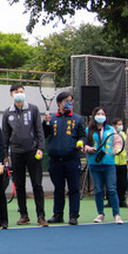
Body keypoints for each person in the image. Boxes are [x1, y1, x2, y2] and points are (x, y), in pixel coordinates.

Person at [2, 84, 48, 227]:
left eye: (21, 91)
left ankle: (41, 216)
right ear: (11, 95)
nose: (19, 94)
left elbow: (39, 130)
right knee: (20, 185)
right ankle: (24, 215)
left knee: (37, 184)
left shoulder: (33, 109)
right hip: (16, 153)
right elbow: (5, 135)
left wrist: (41, 148)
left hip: (33, 152)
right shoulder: (7, 113)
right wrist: (5, 154)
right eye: (16, 92)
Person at [42, 91, 85, 225]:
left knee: (74, 189)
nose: (69, 103)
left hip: (72, 160)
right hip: (55, 161)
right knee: (58, 189)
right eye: (66, 101)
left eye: (71, 101)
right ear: (59, 103)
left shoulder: (78, 119)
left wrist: (81, 143)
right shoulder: (53, 119)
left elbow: (82, 136)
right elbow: (44, 135)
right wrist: (45, 123)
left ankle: (73, 215)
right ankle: (58, 214)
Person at [83, 107, 124, 224]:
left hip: (109, 163)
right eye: (98, 113)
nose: (100, 115)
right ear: (94, 116)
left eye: (102, 113)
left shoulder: (111, 129)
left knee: (111, 189)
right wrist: (88, 148)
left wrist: (116, 150)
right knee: (98, 190)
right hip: (94, 164)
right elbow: (83, 144)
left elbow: (117, 142)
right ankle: (100, 214)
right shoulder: (88, 130)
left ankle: (117, 214)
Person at [111, 118, 128, 208]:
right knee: (112, 184)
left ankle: (122, 201)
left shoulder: (123, 134)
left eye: (121, 124)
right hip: (113, 162)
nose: (120, 126)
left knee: (123, 183)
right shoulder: (110, 134)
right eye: (118, 124)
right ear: (114, 125)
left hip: (123, 163)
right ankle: (111, 201)